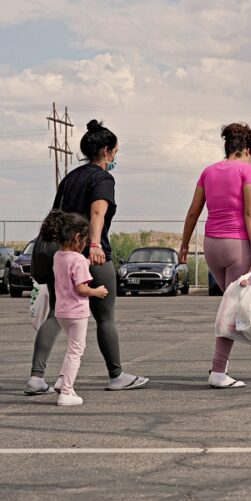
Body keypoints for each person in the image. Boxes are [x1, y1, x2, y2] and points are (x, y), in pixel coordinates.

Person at [24, 120, 149, 395]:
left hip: (62, 253)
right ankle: (116, 375)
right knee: (105, 316)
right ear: (105, 151)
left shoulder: (70, 177)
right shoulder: (103, 178)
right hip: (90, 254)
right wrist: (94, 244)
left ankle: (36, 377)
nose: (115, 156)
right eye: (115, 151)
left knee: (57, 313)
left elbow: (55, 215)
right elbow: (97, 213)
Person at [179, 122, 251, 389]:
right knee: (231, 309)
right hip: (236, 243)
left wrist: (183, 247)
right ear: (247, 149)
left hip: (211, 245)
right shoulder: (247, 170)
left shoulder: (208, 171)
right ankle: (218, 371)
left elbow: (193, 212)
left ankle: (220, 367)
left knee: (230, 304)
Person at [38, 211, 109, 405]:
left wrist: (85, 262)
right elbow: (81, 288)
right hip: (77, 313)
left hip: (62, 312)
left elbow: (71, 271)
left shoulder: (59, 256)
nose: (85, 244)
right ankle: (67, 392)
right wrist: (97, 292)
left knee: (72, 348)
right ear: (77, 238)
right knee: (76, 351)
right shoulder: (77, 260)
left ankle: (62, 381)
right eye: (84, 240)